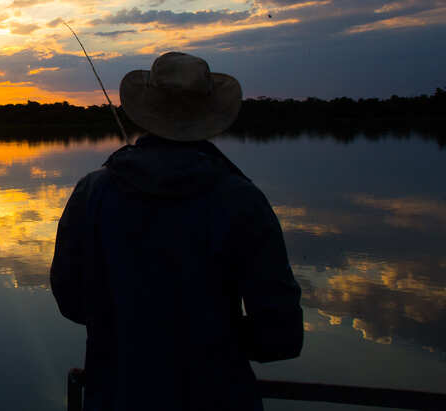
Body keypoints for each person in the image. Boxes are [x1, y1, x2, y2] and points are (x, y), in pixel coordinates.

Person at [51, 52, 303, 410]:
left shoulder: (91, 192)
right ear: (211, 116)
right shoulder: (243, 200)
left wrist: (137, 325)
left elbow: (71, 301)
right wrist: (206, 334)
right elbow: (281, 337)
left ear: (145, 110)